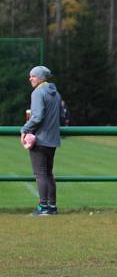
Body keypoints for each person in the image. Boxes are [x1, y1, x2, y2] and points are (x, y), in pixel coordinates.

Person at [20, 66, 62, 216]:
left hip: (40, 139)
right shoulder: (56, 93)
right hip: (53, 140)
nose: (30, 78)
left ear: (40, 78)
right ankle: (52, 206)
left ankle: (43, 207)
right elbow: (62, 115)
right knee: (48, 173)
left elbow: (37, 117)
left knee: (40, 174)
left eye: (33, 76)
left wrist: (24, 129)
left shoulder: (38, 92)